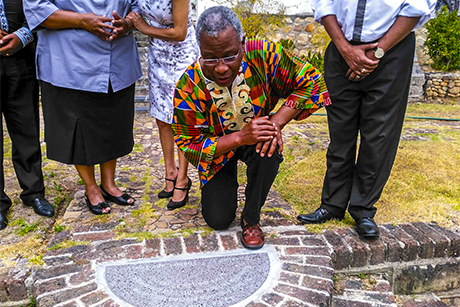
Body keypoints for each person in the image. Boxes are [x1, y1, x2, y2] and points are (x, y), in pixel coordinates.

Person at [171, 6, 329, 249]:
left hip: (257, 138)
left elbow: (313, 81)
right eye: (210, 58)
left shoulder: (264, 55)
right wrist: (240, 137)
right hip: (218, 152)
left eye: (230, 56)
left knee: (270, 149)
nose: (221, 67)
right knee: (218, 220)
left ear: (242, 43)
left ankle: (251, 218)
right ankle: (223, 185)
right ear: (199, 50)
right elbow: (189, 145)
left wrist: (275, 122)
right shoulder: (188, 86)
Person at [297, 0, 436, 239]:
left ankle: (363, 210)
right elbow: (324, 4)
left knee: (379, 135)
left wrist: (376, 52)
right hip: (341, 49)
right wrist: (345, 49)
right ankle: (332, 205)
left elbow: (415, 8)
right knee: (340, 132)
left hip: (391, 52)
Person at [23, 0, 142, 215]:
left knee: (112, 120)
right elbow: (37, 8)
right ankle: (91, 187)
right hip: (69, 58)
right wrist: (84, 21)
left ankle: (109, 183)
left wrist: (128, 23)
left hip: (117, 54)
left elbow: (137, 5)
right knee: (77, 124)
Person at [127, 0, 199, 210]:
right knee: (161, 118)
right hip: (158, 53)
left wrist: (143, 28)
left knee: (181, 118)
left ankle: (183, 179)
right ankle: (170, 173)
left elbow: (180, 32)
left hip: (181, 55)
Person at [0, 0, 55, 230]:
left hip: (20, 56)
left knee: (26, 127)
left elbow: (40, 8)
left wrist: (22, 36)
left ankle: (33, 192)